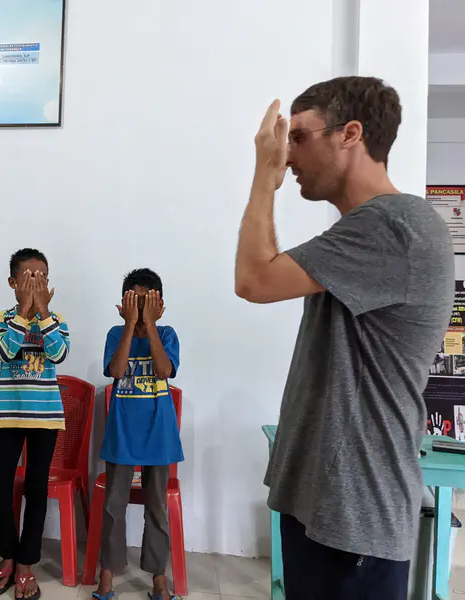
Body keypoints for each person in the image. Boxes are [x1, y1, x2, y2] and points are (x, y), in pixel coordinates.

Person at [235, 76, 454, 599]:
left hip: (357, 509)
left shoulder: (392, 225)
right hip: (334, 502)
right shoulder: (366, 230)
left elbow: (254, 279)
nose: (287, 156)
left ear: (350, 134)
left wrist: (263, 178)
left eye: (300, 137)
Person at [0, 248, 70, 600]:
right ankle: (7, 555)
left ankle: (26, 565)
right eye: (28, 277)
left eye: (42, 277)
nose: (35, 284)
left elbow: (59, 354)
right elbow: (5, 352)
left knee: (36, 491)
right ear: (12, 283)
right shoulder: (2, 318)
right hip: (8, 417)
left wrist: (43, 312)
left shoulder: (57, 319)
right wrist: (23, 312)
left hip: (45, 419)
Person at [92, 268, 181, 600]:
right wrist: (130, 325)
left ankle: (158, 576)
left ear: (159, 305)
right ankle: (107, 574)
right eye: (135, 302)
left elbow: (163, 369)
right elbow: (116, 371)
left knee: (156, 507)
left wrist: (151, 325)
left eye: (147, 303)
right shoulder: (116, 334)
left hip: (159, 436)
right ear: (123, 304)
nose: (141, 310)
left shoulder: (168, 333)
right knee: (113, 507)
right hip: (122, 436)